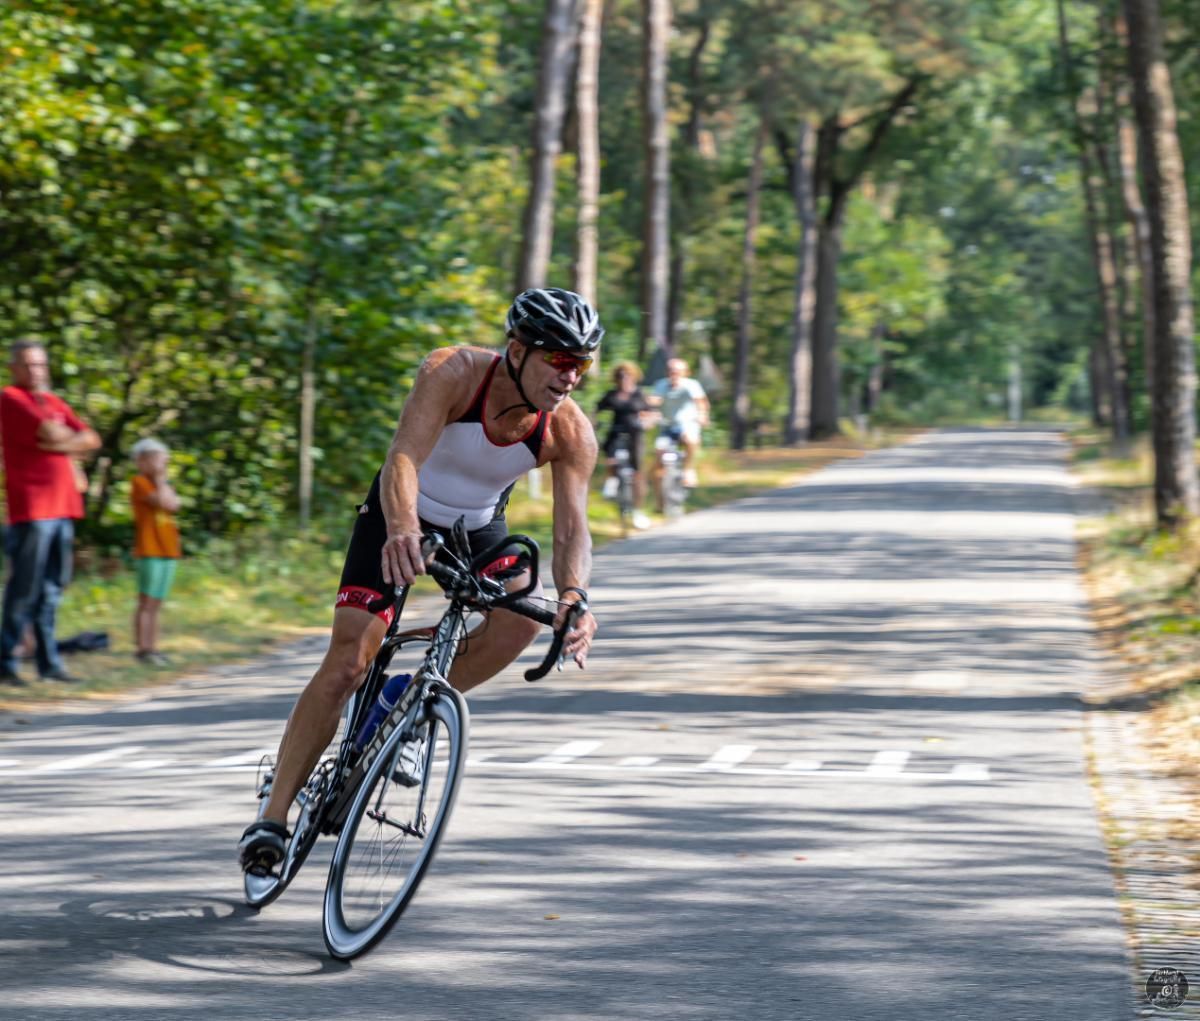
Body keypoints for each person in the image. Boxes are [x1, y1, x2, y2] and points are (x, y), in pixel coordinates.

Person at [239, 287, 603, 872]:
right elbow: (402, 457)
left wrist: (574, 597)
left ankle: (408, 704)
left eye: (582, 365)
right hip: (399, 511)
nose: (570, 377)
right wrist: (403, 530)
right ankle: (272, 819)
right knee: (348, 662)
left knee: (521, 620)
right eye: (559, 360)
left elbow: (571, 532)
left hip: (477, 530)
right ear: (517, 349)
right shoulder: (454, 371)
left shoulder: (569, 431)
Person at [0, 340, 101, 685]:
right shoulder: (11, 398)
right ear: (14, 367)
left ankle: (49, 662)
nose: (36, 371)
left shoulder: (54, 401)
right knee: (24, 587)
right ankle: (7, 661)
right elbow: (50, 432)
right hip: (33, 507)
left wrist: (59, 444)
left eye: (41, 364)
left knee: (53, 587)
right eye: (29, 364)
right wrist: (65, 442)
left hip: (64, 506)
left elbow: (92, 439)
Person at [130, 438, 181, 666]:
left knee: (157, 603)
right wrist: (160, 479)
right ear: (143, 461)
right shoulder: (140, 482)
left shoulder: (163, 483)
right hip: (149, 549)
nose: (162, 464)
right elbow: (161, 501)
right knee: (146, 602)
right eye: (158, 459)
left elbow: (173, 505)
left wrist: (163, 480)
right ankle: (143, 648)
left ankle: (153, 647)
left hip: (168, 550)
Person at [596, 361, 652, 529]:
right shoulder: (611, 395)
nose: (624, 379)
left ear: (634, 377)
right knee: (611, 459)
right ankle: (612, 483)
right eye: (621, 376)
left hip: (635, 435)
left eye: (627, 375)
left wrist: (647, 422)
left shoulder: (639, 394)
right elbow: (597, 410)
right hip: (615, 433)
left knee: (637, 473)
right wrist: (594, 425)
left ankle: (638, 510)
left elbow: (650, 413)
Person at [647, 357, 709, 501]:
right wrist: (648, 405)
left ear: (685, 372)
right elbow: (655, 400)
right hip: (667, 426)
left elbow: (701, 403)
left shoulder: (691, 385)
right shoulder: (661, 385)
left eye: (677, 371)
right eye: (671, 371)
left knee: (690, 439)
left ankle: (688, 469)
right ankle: (660, 503)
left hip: (686, 424)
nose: (674, 373)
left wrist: (702, 415)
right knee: (659, 456)